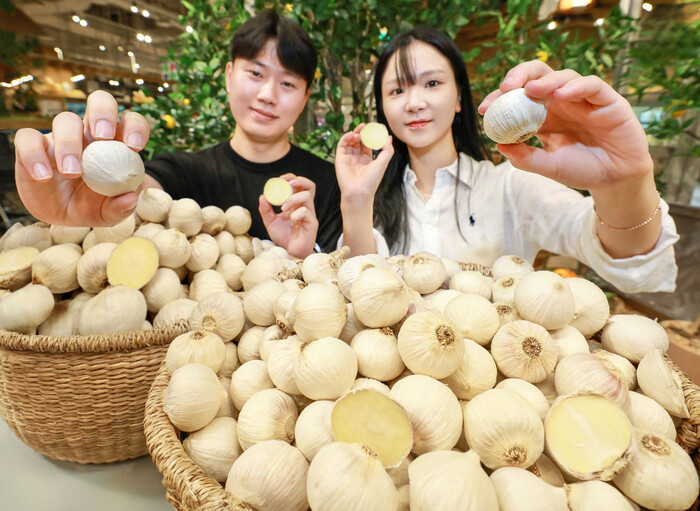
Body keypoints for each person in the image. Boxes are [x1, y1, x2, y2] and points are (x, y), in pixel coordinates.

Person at [334, 26, 678, 293]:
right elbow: (358, 294)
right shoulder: (373, 196)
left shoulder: (510, 185)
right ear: (383, 107)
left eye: (432, 83)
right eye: (397, 90)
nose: (414, 103)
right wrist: (356, 200)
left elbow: (633, 265)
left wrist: (622, 183)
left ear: (459, 97)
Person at [13, 9, 341, 258]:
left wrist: (299, 257)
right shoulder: (183, 173)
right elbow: (139, 191)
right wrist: (90, 184)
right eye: (256, 73)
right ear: (229, 76)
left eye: (287, 83)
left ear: (305, 99)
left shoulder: (326, 184)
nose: (268, 94)